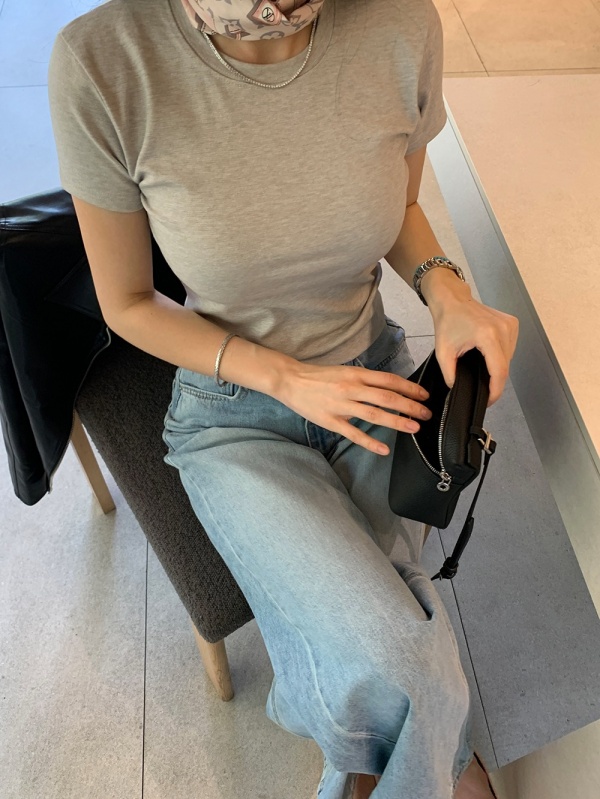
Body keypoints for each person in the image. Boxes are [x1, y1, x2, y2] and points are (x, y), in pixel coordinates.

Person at [47, 1, 518, 797]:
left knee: (381, 647)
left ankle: (364, 765)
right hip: (231, 416)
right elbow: (125, 302)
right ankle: (447, 763)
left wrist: (448, 291)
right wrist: (285, 377)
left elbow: (401, 208)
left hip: (374, 382)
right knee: (405, 658)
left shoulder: (402, 25)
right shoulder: (103, 60)